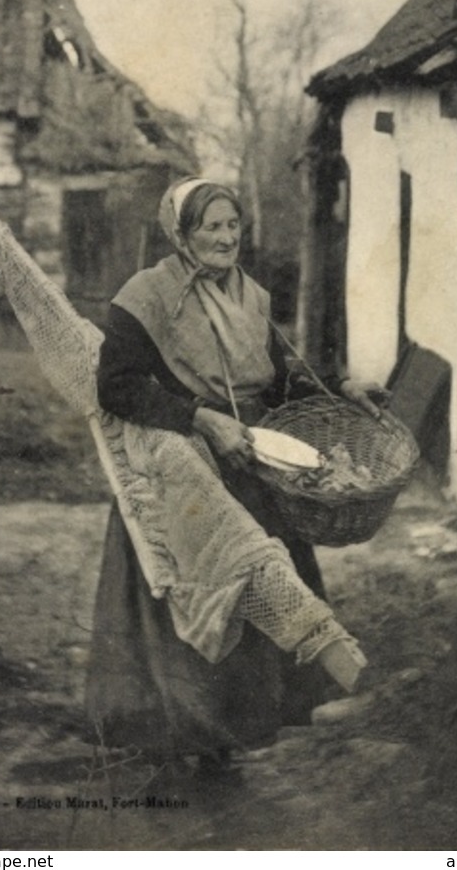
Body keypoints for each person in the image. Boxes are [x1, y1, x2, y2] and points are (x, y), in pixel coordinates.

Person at [86, 177, 383, 779]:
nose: (226, 239)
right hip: (178, 466)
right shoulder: (144, 298)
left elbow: (276, 379)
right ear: (181, 234)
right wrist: (198, 418)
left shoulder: (251, 296)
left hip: (249, 462)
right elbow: (114, 386)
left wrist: (343, 386)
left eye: (233, 227)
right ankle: (171, 739)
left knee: (255, 593)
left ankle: (227, 739)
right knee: (190, 596)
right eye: (211, 228)